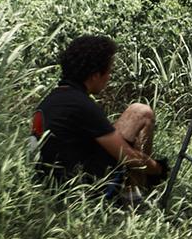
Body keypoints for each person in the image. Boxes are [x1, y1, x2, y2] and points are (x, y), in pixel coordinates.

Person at [32, 34, 168, 202]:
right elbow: (128, 157)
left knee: (137, 112)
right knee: (143, 112)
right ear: (95, 75)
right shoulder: (82, 105)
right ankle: (135, 196)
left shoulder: (53, 99)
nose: (109, 77)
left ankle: (132, 191)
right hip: (80, 192)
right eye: (109, 72)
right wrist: (158, 168)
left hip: (49, 184)